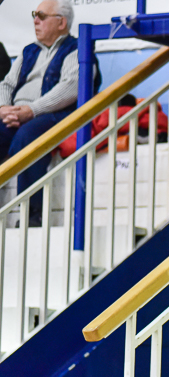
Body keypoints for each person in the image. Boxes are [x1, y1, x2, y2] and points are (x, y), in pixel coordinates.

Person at [0, 0, 100, 226]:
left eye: (42, 16)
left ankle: (31, 214)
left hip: (55, 114)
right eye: (34, 15)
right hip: (18, 114)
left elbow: (71, 87)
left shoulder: (77, 49)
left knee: (28, 135)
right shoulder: (29, 51)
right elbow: (6, 84)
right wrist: (4, 108)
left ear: (61, 23)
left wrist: (32, 110)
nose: (35, 21)